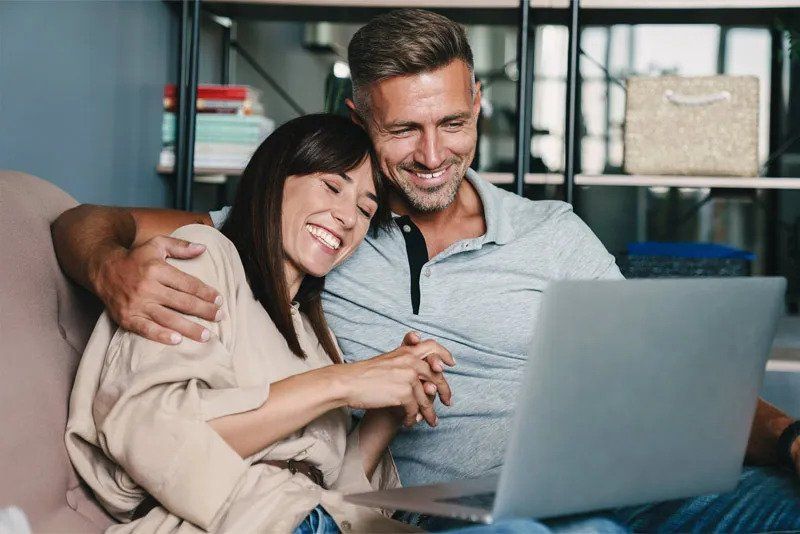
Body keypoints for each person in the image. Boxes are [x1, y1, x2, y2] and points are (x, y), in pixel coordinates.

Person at [54, 9, 800, 533]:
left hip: (622, 485)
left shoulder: (553, 234)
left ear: (478, 104)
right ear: (358, 120)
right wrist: (109, 267)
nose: (434, 155)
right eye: (404, 129)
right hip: (448, 511)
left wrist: (791, 438)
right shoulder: (316, 229)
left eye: (453, 122)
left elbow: (672, 383)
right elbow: (86, 220)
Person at [64, 113, 455, 533]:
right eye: (331, 186)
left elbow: (330, 489)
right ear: (276, 178)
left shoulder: (311, 332)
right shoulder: (204, 257)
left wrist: (389, 410)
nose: (347, 217)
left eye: (364, 209)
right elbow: (153, 436)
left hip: (307, 516)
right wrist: (342, 383)